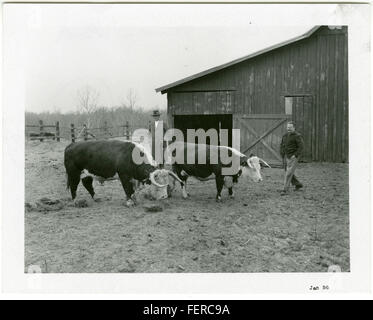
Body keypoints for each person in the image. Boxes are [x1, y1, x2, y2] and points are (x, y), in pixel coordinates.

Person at [280, 121, 304, 195]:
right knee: (288, 171)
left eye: (290, 127)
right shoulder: (285, 136)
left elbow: (301, 147)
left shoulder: (297, 136)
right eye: (288, 127)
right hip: (285, 156)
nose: (289, 129)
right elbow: (282, 145)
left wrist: (295, 155)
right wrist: (282, 153)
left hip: (293, 157)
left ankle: (285, 189)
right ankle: (298, 184)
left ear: (294, 128)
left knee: (289, 173)